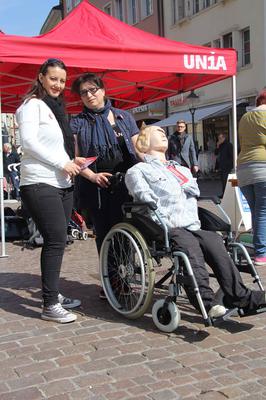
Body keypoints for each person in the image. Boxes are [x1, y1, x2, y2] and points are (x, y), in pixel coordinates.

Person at [125, 125, 266, 318]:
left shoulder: (181, 169)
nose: (164, 135)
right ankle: (206, 303)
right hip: (164, 225)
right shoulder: (137, 171)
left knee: (214, 241)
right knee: (189, 245)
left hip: (191, 223)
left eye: (164, 133)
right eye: (158, 133)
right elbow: (143, 196)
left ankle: (240, 296)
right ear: (144, 142)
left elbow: (195, 191)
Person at [16, 58, 86, 323]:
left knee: (60, 240)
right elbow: (30, 143)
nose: (58, 84)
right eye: (53, 78)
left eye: (62, 81)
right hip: (39, 182)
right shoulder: (31, 106)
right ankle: (48, 305)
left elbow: (56, 147)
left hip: (62, 183)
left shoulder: (55, 108)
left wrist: (73, 160)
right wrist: (62, 162)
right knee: (55, 239)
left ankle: (53, 295)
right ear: (42, 77)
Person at [70, 73, 140, 257]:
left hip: (126, 182)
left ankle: (128, 272)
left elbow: (139, 148)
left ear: (103, 90)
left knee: (128, 229)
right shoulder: (78, 122)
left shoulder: (123, 117)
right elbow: (76, 158)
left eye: (93, 89)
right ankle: (112, 279)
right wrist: (93, 176)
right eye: (83, 92)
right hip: (95, 185)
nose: (89, 95)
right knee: (104, 232)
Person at [237, 90, 266, 267]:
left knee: (258, 212)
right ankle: (261, 253)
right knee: (262, 212)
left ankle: (260, 248)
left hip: (244, 169)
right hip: (263, 166)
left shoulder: (245, 118)